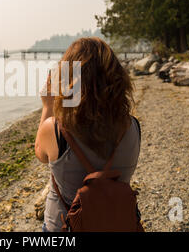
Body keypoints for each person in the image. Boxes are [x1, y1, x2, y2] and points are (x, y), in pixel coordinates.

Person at [35, 37, 141, 232]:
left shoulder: (56, 129)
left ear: (68, 79)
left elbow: (41, 155)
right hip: (118, 223)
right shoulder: (132, 126)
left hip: (63, 227)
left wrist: (48, 106)